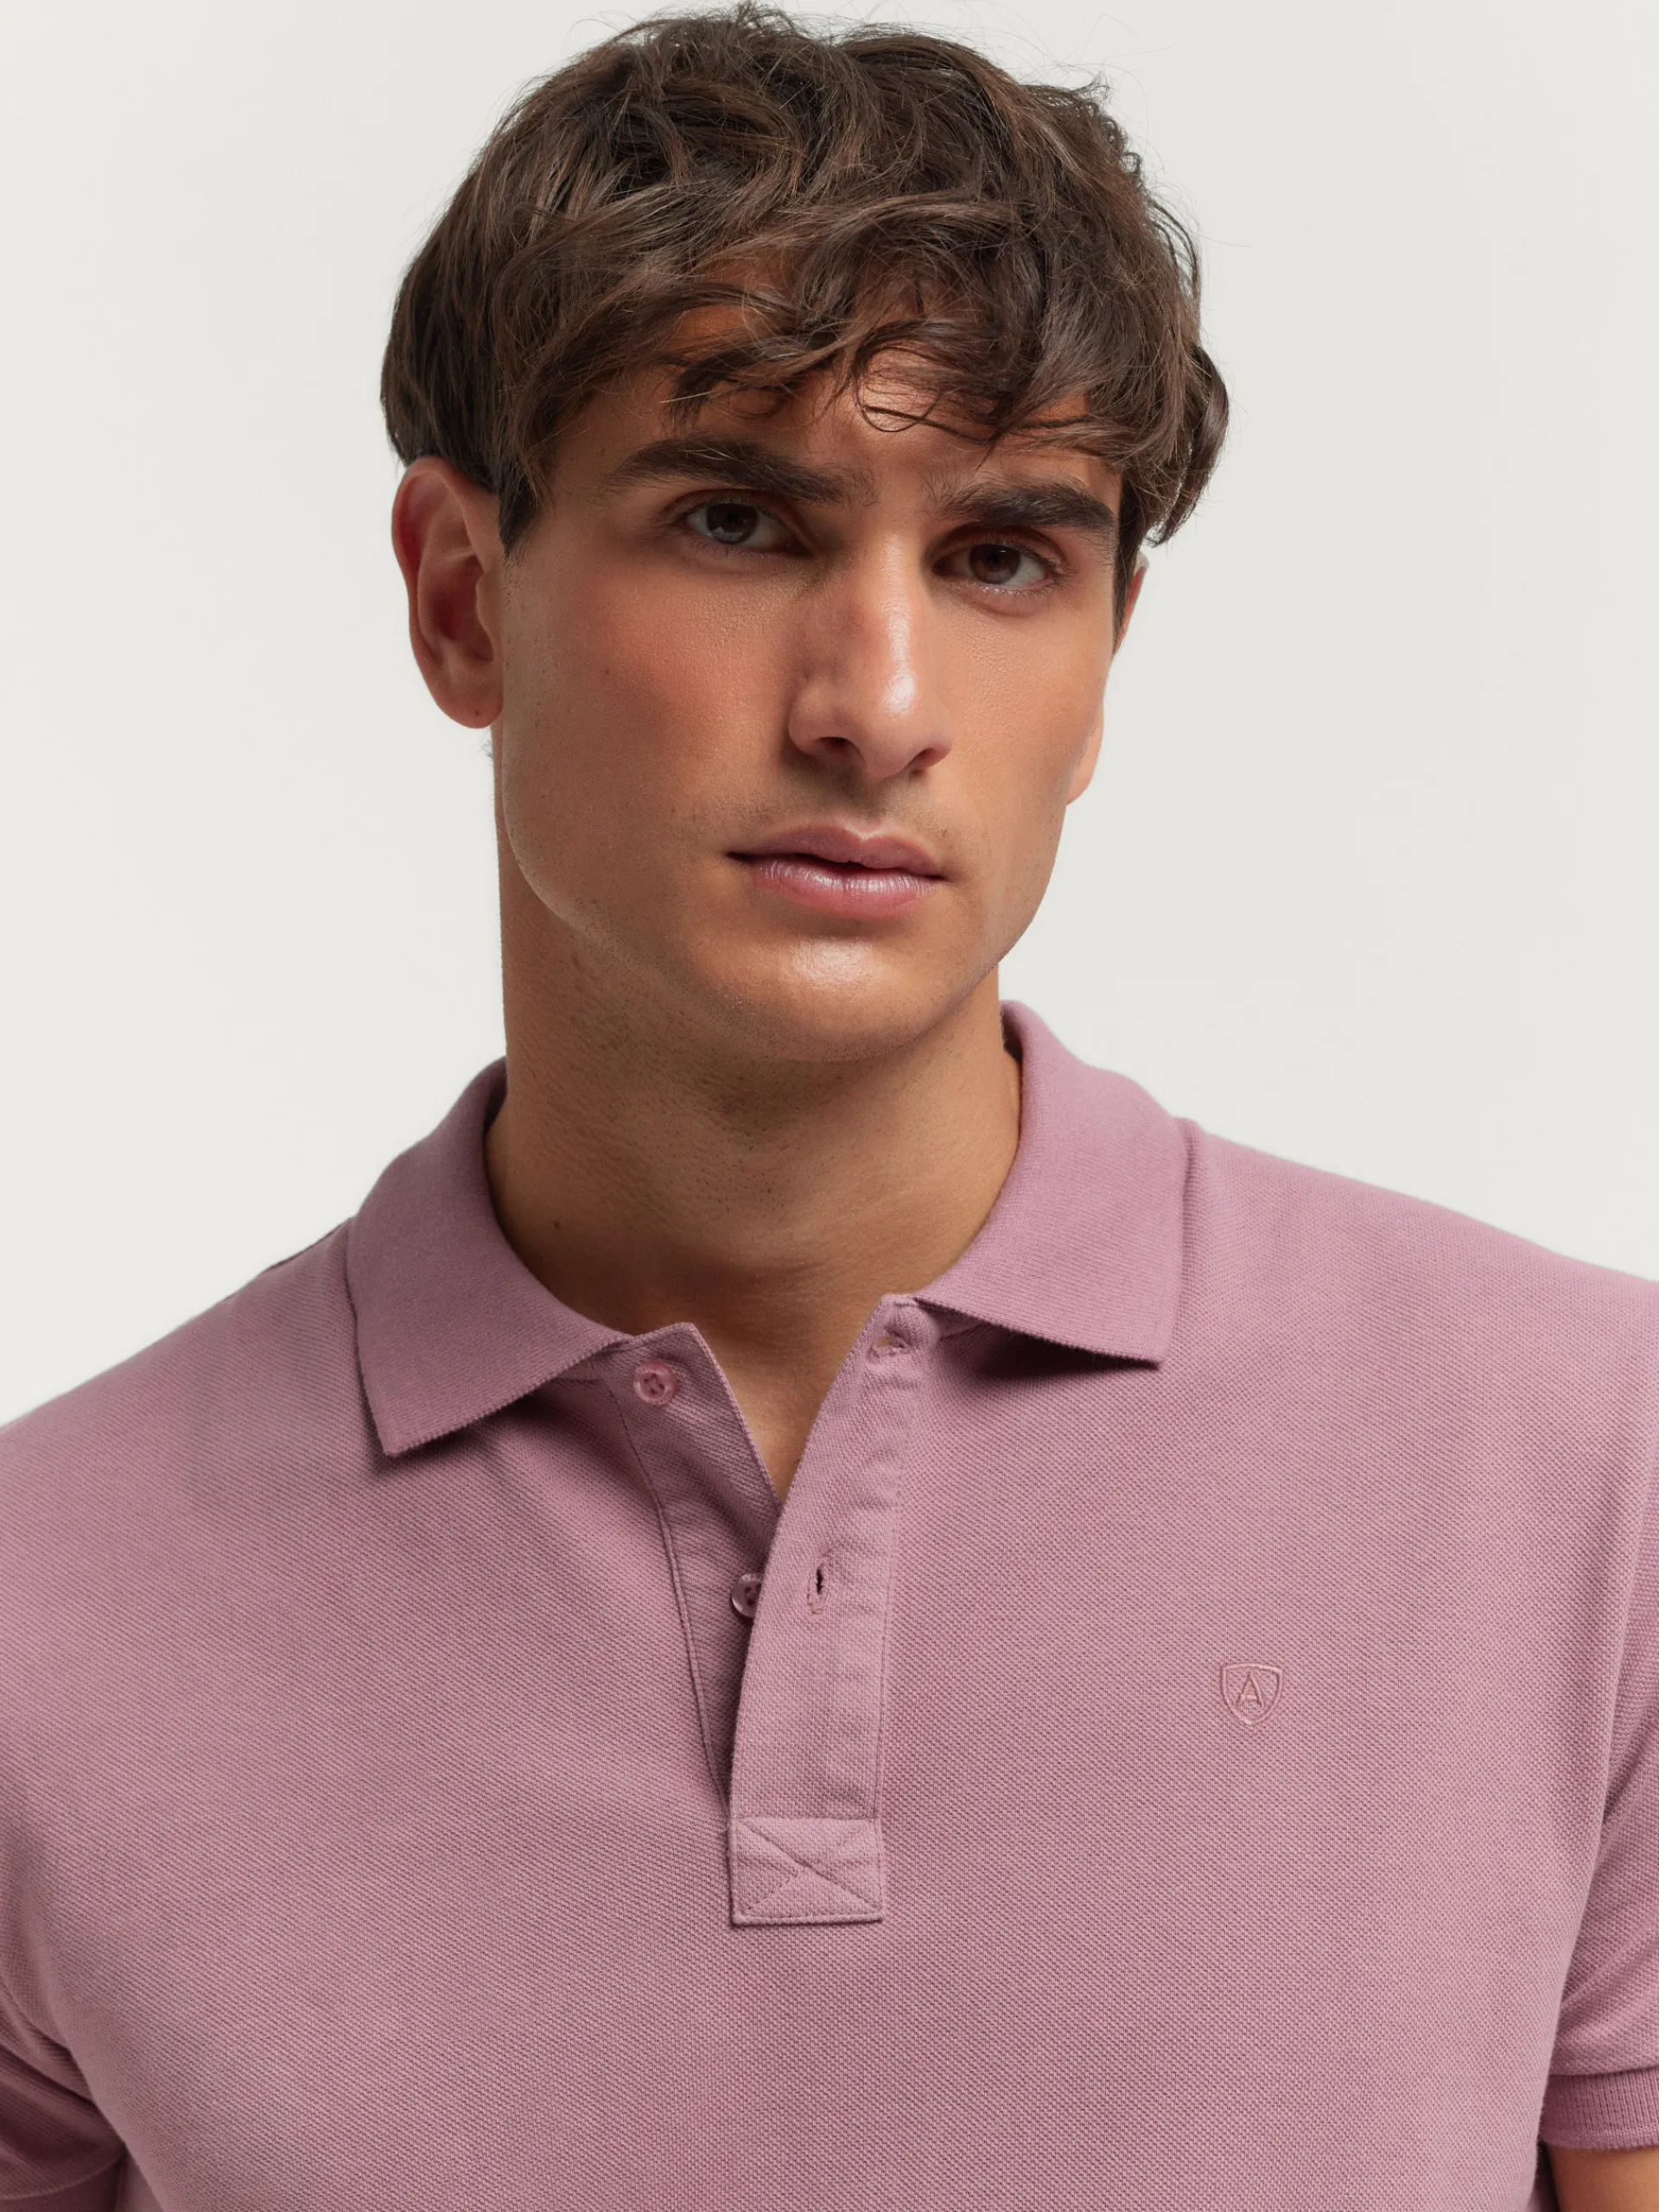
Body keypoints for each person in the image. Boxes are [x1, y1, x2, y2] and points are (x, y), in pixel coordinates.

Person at [0, 8, 1654, 2208]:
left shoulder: (1592, 1470)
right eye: (737, 519)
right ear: (464, 596)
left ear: (1105, 655)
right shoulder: (44, 1604)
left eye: (1002, 556)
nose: (878, 706)